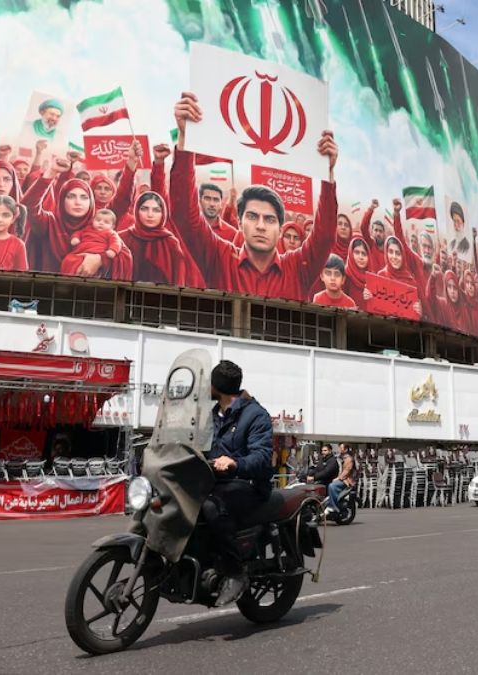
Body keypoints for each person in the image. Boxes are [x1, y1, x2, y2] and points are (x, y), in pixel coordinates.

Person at [169, 91, 339, 303]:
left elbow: (324, 237)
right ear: (240, 223)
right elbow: (184, 215)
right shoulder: (219, 258)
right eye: (252, 216)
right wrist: (186, 139)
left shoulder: (297, 268)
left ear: (280, 229)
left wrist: (327, 172)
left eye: (269, 219)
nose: (260, 226)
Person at [201, 359, 275, 606]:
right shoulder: (213, 415)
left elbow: (262, 457)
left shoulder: (256, 415)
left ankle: (235, 571)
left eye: (210, 383)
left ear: (216, 387)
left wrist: (235, 462)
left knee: (211, 506)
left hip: (249, 483)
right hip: (218, 481)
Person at [119, 190, 203, 287]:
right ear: (136, 211)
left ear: (163, 214)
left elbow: (179, 280)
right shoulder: (122, 238)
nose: (150, 215)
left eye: (156, 210)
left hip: (162, 295)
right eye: (144, 209)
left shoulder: (171, 243)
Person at [61, 208, 130, 279]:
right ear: (93, 221)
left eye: (106, 222)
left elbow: (116, 242)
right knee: (68, 259)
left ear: (112, 226)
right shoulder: (88, 229)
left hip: (97, 252)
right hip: (80, 252)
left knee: (91, 269)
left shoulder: (111, 233)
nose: (101, 223)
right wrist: (75, 238)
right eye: (98, 220)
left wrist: (113, 250)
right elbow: (78, 233)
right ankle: (69, 278)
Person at [326, 444, 357, 519]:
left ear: (345, 450)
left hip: (346, 481)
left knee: (332, 486)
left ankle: (333, 506)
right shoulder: (340, 457)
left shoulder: (349, 459)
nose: (339, 449)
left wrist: (338, 478)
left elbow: (346, 471)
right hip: (341, 478)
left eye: (341, 448)